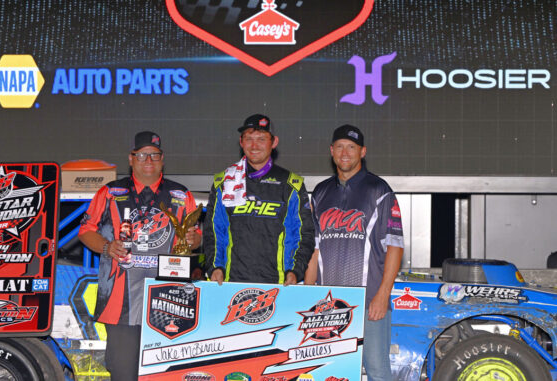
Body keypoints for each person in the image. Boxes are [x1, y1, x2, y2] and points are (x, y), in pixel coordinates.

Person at [78, 131, 201, 381]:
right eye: (142, 154)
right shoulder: (110, 192)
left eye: (154, 155)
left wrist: (193, 239)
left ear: (162, 159)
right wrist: (107, 246)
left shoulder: (181, 194)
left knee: (165, 375)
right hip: (120, 303)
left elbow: (196, 236)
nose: (148, 160)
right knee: (124, 373)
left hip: (170, 301)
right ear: (131, 158)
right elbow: (85, 231)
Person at [305, 124, 404, 381]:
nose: (345, 152)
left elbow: (395, 245)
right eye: (339, 146)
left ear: (362, 152)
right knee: (327, 372)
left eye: (351, 147)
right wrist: (307, 294)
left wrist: (383, 295)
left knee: (377, 371)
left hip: (369, 301)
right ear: (331, 151)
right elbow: (313, 250)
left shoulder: (379, 190)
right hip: (327, 305)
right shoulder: (320, 192)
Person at [203, 114, 315, 285]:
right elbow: (215, 232)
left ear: (274, 142)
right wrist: (215, 267)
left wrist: (295, 271)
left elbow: (302, 234)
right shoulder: (225, 181)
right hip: (230, 284)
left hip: (279, 284)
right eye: (249, 139)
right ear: (241, 142)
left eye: (262, 139)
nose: (254, 145)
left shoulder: (292, 184)